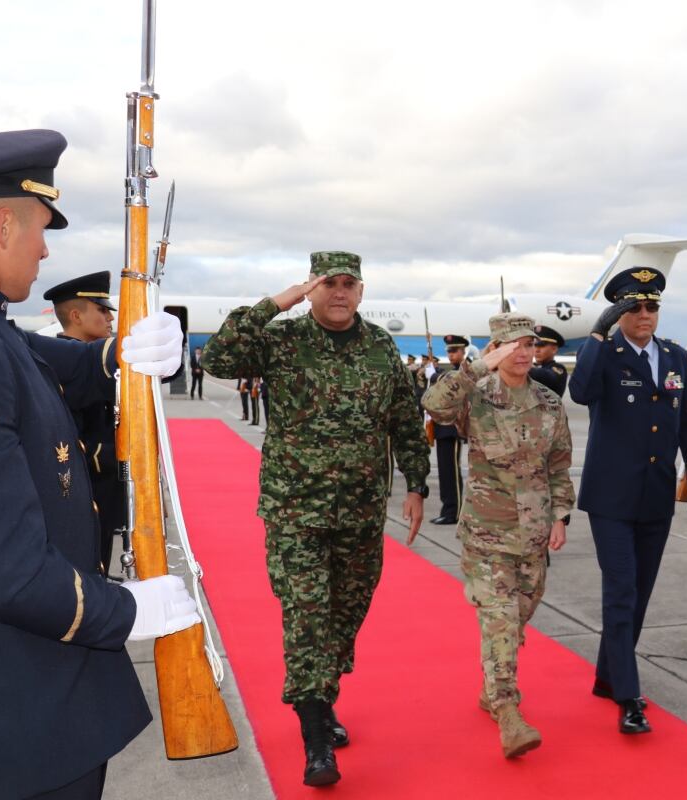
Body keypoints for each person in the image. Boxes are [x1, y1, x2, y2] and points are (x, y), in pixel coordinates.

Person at [0, 128, 198, 800]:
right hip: (12, 723)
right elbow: (7, 574)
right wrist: (125, 612)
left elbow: (63, 369)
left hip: (29, 703)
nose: (45, 249)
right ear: (3, 224)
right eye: (41, 227)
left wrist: (130, 353)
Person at [201, 250, 430, 787]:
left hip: (361, 508)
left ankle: (322, 698)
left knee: (346, 614)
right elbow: (217, 356)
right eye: (328, 283)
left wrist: (417, 484)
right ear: (311, 288)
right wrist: (278, 301)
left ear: (361, 290)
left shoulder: (379, 346)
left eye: (349, 283)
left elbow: (403, 416)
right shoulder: (282, 341)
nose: (339, 292)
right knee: (307, 615)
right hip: (295, 508)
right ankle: (316, 738)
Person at [421, 312, 573, 758]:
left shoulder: (547, 400)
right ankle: (508, 711)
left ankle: (493, 685)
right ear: (496, 349)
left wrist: (560, 516)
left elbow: (559, 462)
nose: (524, 353)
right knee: (500, 619)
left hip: (533, 531)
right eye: (513, 346)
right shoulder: (477, 393)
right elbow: (435, 404)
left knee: (520, 613)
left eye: (530, 345)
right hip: (487, 531)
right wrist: (477, 367)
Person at [568, 266, 687, 735]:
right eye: (634, 307)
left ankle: (609, 676)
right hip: (611, 497)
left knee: (641, 593)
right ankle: (630, 696)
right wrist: (595, 331)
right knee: (622, 591)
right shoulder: (604, 354)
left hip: (655, 495)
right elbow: (581, 391)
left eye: (652, 306)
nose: (645, 315)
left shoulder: (672, 356)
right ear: (620, 312)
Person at [43, 270, 123, 575]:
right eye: (102, 311)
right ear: (75, 315)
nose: (110, 319)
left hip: (104, 491)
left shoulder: (102, 365)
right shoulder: (56, 367)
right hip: (77, 492)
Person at [423, 334, 468, 525]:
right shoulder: (450, 371)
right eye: (449, 351)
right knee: (444, 471)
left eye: (455, 351)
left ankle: (454, 512)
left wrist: (434, 376)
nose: (451, 355)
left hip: (454, 429)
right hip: (442, 428)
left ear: (463, 351)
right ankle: (447, 509)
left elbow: (458, 381)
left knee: (451, 472)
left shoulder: (467, 369)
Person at [529, 323, 568, 396]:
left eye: (541, 346)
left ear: (554, 349)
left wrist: (524, 366)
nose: (536, 350)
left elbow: (547, 376)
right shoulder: (534, 367)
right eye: (534, 345)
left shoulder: (558, 369)